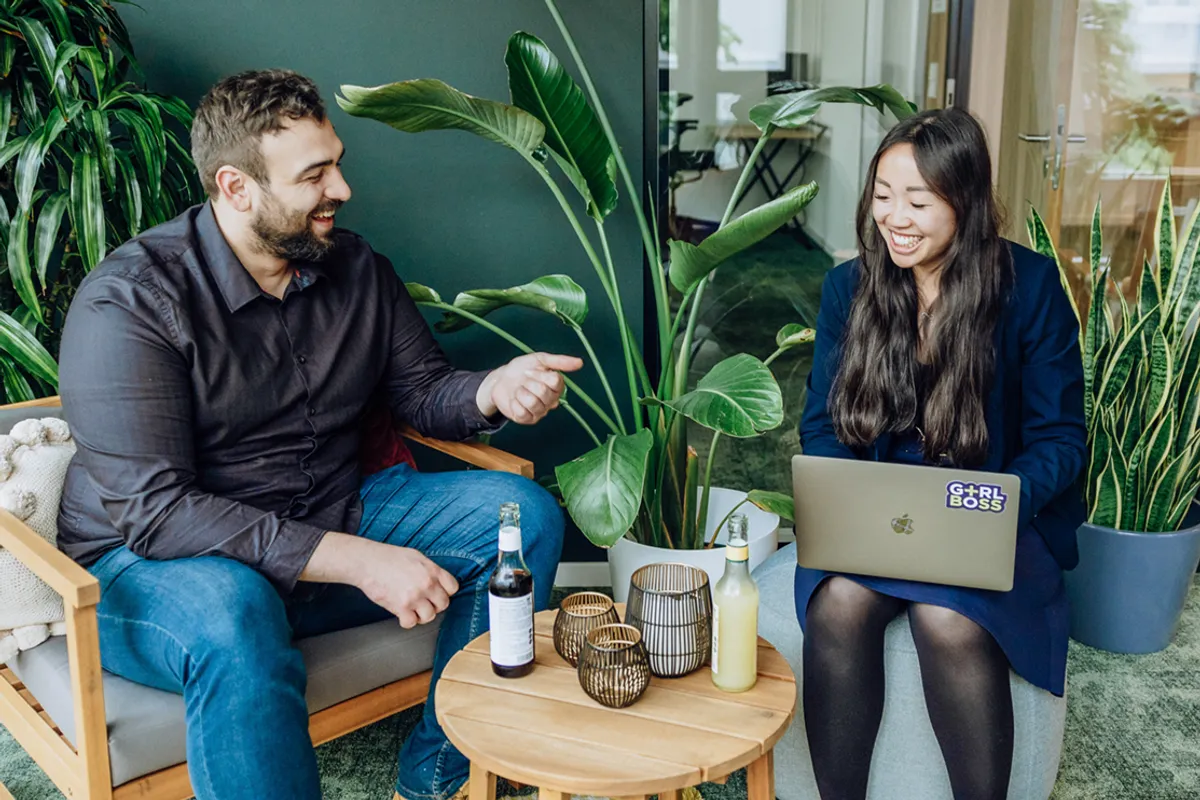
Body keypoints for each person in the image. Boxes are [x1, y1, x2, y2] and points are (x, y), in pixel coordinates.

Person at [56, 69, 579, 800]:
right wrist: (362, 562)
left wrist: (493, 389)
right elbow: (157, 511)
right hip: (146, 565)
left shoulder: (357, 269)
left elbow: (422, 391)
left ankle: (441, 774)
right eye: (316, 174)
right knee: (237, 609)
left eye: (338, 164)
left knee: (524, 520)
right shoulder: (130, 301)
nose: (342, 190)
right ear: (236, 188)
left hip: (326, 511)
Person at [796, 106, 1086, 800]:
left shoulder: (1029, 287)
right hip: (881, 512)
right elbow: (821, 426)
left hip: (987, 509)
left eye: (918, 202)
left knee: (948, 619)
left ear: (967, 202)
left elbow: (1060, 440)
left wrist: (992, 510)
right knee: (838, 602)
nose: (895, 217)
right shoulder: (850, 287)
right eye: (884, 195)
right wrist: (843, 500)